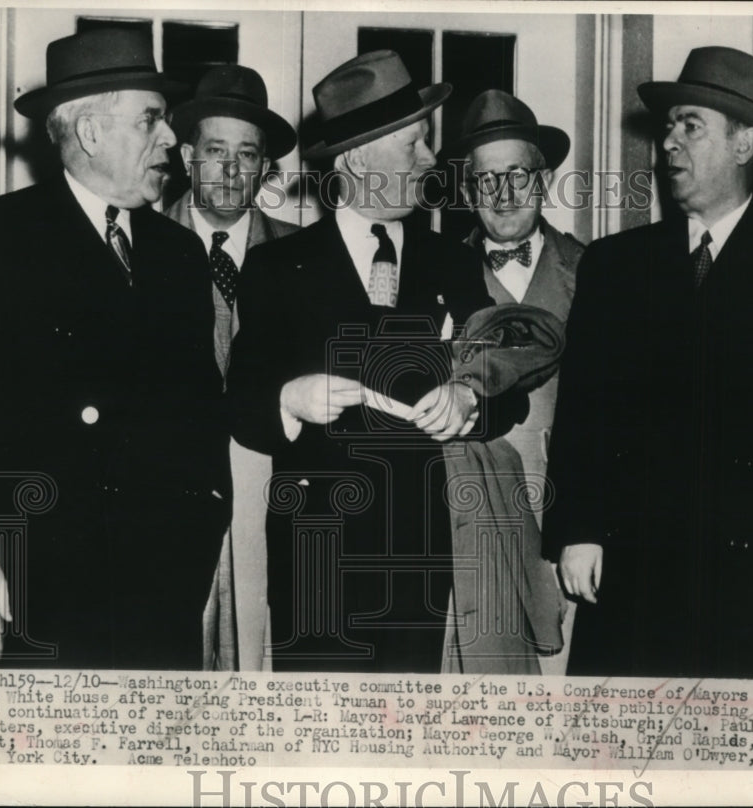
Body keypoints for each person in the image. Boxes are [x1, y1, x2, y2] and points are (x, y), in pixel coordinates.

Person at [543, 46, 753, 680]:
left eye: (691, 126)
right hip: (632, 569)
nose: (668, 145)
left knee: (747, 760)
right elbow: (585, 411)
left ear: (744, 146)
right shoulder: (616, 264)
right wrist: (579, 528)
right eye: (667, 127)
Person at [226, 50, 525, 673]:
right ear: (357, 159)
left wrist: (471, 396)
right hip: (316, 549)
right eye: (415, 143)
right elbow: (242, 399)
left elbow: (509, 385)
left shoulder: (452, 262)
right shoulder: (280, 266)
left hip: (421, 550)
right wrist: (288, 399)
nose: (429, 159)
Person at [0, 28, 230, 669]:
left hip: (163, 583)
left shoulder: (179, 252)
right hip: (41, 581)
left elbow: (197, 411)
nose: (170, 140)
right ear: (91, 133)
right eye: (152, 120)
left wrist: (202, 523)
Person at [440, 89, 585, 674]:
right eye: (484, 180)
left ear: (543, 180)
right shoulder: (437, 269)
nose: (501, 194)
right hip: (471, 514)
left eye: (517, 175)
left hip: (565, 510)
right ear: (469, 190)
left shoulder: (594, 270)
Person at [165, 65, 299, 671]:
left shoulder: (303, 255)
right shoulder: (139, 244)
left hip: (267, 482)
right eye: (215, 150)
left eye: (247, 154)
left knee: (259, 651)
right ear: (188, 155)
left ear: (265, 167)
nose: (229, 169)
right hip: (168, 488)